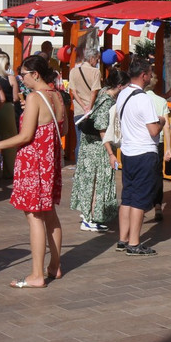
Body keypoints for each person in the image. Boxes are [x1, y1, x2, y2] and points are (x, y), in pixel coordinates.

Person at [0, 55, 65, 288]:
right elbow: (62, 129)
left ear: (35, 74)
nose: (21, 79)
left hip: (33, 162)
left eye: (23, 74)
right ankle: (54, 266)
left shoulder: (36, 97)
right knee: (50, 214)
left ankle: (37, 275)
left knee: (34, 216)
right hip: (50, 161)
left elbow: (25, 136)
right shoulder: (56, 95)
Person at [115, 57, 163, 256]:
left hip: (127, 151)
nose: (151, 76)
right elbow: (153, 130)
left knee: (128, 196)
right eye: (150, 72)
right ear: (143, 75)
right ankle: (134, 242)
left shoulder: (122, 94)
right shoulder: (144, 98)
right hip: (144, 152)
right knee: (139, 200)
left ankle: (123, 238)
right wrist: (162, 122)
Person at [69, 65, 119, 234]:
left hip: (90, 144)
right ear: (120, 86)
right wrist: (111, 153)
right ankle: (89, 217)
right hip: (98, 147)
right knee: (95, 181)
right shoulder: (107, 100)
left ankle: (89, 216)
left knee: (90, 180)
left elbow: (74, 91)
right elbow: (101, 127)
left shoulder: (103, 93)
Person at [144, 72, 170, 222]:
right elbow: (166, 126)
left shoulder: (138, 99)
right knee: (157, 173)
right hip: (158, 141)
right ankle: (158, 205)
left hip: (142, 141)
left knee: (143, 173)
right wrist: (168, 147)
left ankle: (142, 204)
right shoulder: (161, 101)